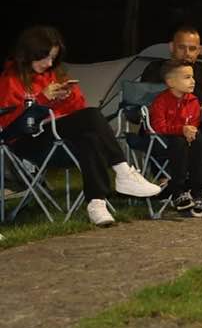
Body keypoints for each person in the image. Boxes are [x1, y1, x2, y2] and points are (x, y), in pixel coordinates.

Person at [0, 26, 161, 226]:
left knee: (90, 137)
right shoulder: (10, 81)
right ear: (28, 53)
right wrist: (42, 99)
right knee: (92, 116)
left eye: (53, 58)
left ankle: (96, 203)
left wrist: (67, 96)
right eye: (44, 57)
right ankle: (123, 172)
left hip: (60, 139)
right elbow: (10, 128)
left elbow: (78, 111)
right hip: (30, 144)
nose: (49, 63)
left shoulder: (54, 75)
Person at [148, 60, 202, 218]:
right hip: (164, 141)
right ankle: (178, 190)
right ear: (170, 82)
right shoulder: (161, 101)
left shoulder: (193, 100)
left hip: (186, 140)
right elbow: (158, 127)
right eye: (187, 77)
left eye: (192, 76)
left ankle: (197, 191)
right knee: (178, 141)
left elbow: (193, 124)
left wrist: (189, 131)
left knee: (200, 140)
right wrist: (181, 130)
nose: (193, 81)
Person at [140, 25, 202, 133]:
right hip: (163, 126)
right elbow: (143, 101)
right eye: (181, 47)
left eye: (192, 48)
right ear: (172, 47)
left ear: (199, 50)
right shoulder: (155, 68)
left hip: (197, 124)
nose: (187, 53)